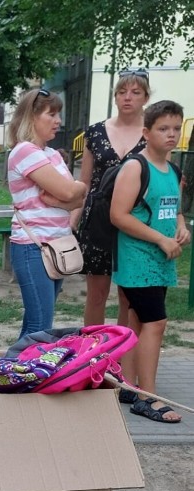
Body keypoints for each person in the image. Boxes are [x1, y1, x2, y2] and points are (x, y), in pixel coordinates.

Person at [111, 100, 190, 424]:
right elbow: (118, 215)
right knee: (156, 323)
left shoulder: (173, 170)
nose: (171, 134)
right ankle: (149, 398)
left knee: (137, 322)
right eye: (163, 128)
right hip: (137, 260)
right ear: (147, 132)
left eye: (176, 128)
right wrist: (159, 238)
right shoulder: (135, 167)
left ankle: (128, 385)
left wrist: (181, 228)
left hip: (162, 260)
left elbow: (174, 209)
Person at [7, 89, 87, 339]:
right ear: (31, 116)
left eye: (58, 114)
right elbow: (66, 190)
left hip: (56, 245)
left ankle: (9, 373)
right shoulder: (24, 151)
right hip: (34, 246)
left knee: (34, 324)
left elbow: (76, 197)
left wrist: (75, 192)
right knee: (40, 329)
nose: (58, 121)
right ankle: (24, 376)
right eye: (51, 114)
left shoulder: (52, 155)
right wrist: (71, 194)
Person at [75, 68, 150, 330]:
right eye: (122, 91)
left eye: (135, 92)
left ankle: (121, 358)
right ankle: (93, 354)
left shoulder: (152, 135)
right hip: (98, 222)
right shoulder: (95, 133)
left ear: (145, 97)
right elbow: (84, 183)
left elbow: (164, 180)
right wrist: (73, 221)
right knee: (96, 294)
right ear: (115, 96)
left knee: (127, 297)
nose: (127, 97)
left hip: (136, 222)